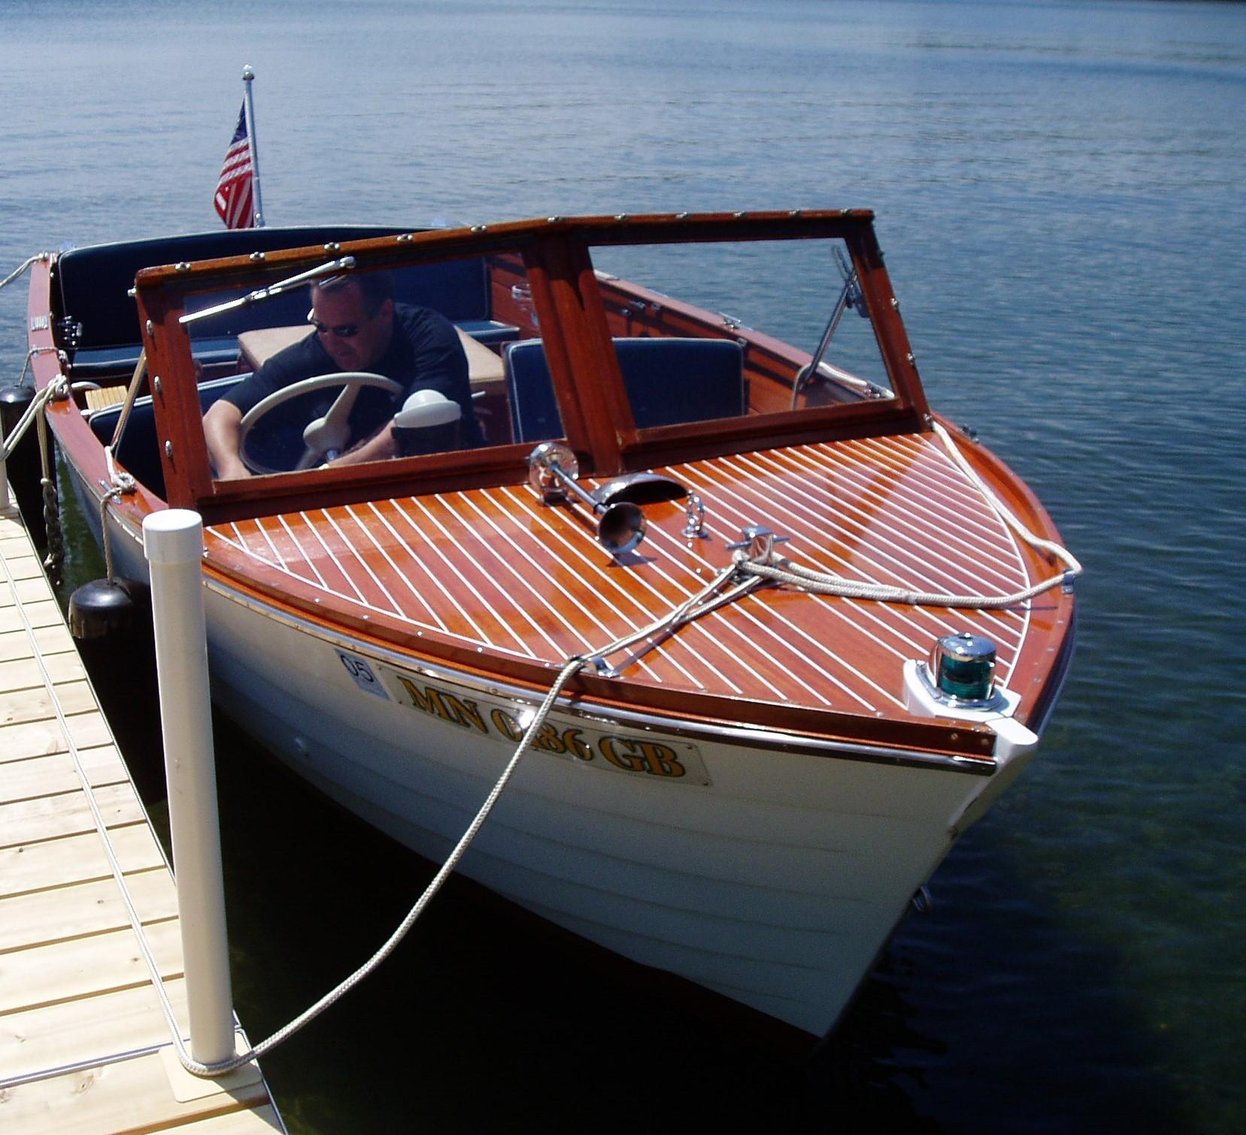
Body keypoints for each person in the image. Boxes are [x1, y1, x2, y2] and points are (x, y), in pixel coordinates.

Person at [203, 271, 481, 477]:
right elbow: (222, 412)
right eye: (320, 326)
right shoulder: (316, 350)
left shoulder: (429, 338)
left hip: (438, 483)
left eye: (346, 330)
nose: (332, 342)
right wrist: (231, 468)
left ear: (384, 313)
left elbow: (412, 428)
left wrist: (327, 474)